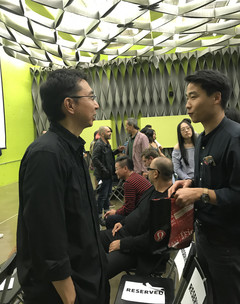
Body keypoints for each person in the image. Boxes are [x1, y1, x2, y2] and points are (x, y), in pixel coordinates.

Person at [17, 69, 109, 304]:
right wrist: (71, 298)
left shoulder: (73, 150)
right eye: (91, 97)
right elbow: (46, 236)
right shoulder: (46, 154)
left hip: (87, 281)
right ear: (70, 105)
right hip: (65, 293)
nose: (96, 105)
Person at [169, 69, 240, 304]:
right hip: (204, 237)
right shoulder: (201, 139)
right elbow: (208, 179)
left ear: (216, 97)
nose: (187, 105)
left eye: (193, 96)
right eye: (187, 97)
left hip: (228, 245)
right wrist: (189, 182)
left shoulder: (234, 138)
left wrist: (199, 193)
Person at [100, 157, 174, 279]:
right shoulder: (153, 189)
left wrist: (122, 244)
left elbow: (151, 239)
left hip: (137, 250)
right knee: (92, 240)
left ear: (155, 173)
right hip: (126, 233)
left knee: (101, 270)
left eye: (149, 169)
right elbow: (137, 211)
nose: (146, 172)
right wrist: (123, 222)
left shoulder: (166, 202)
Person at [104, 155, 152, 229]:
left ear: (125, 168)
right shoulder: (136, 176)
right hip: (147, 213)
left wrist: (115, 212)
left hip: (142, 218)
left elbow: (129, 209)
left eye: (116, 169)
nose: (115, 172)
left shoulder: (129, 183)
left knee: (110, 219)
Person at [92, 126, 124, 226]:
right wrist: (104, 170)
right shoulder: (99, 144)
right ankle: (98, 218)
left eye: (110, 131)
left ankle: (106, 215)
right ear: (102, 133)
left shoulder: (107, 144)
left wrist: (117, 151)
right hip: (103, 175)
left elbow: (109, 155)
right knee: (102, 197)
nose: (110, 133)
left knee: (107, 196)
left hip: (108, 175)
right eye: (108, 131)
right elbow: (95, 159)